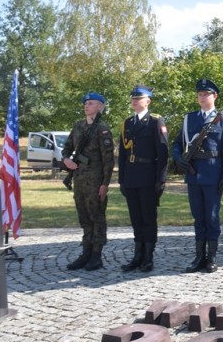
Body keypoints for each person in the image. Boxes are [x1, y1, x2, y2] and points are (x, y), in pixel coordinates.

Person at [171, 78, 223, 273]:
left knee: (212, 217)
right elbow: (177, 144)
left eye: (205, 94)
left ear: (214, 96)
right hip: (193, 174)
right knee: (198, 217)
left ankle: (212, 258)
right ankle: (199, 257)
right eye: (199, 94)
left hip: (213, 173)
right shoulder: (190, 118)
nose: (202, 97)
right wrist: (177, 158)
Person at [117, 85, 169, 273]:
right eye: (133, 98)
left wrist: (160, 180)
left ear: (148, 101)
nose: (135, 101)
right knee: (135, 218)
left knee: (148, 218)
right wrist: (121, 179)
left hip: (148, 176)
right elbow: (122, 154)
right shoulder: (127, 123)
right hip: (131, 177)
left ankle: (148, 256)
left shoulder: (155, 122)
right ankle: (137, 255)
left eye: (139, 98)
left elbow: (163, 153)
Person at [61, 92, 115, 271]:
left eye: (91, 103)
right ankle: (86, 252)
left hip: (95, 180)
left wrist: (105, 184)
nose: (87, 106)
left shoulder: (102, 129)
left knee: (97, 216)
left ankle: (96, 255)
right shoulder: (78, 126)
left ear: (100, 107)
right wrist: (66, 159)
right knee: (84, 217)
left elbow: (108, 160)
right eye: (86, 103)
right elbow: (67, 147)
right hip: (79, 179)